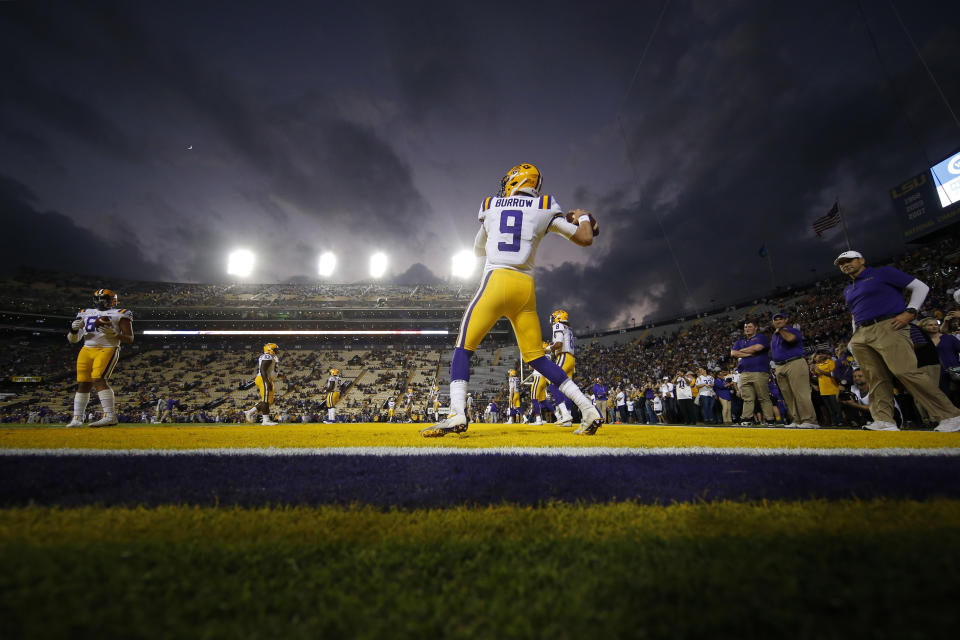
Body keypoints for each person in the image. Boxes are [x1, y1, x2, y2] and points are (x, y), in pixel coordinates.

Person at [420, 163, 602, 437]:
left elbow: (477, 248)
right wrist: (585, 216)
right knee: (538, 359)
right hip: (524, 288)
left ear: (515, 180)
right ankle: (587, 409)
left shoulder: (492, 204)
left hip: (496, 281)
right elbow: (586, 238)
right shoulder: (545, 204)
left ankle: (457, 412)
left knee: (463, 349)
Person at [834, 250, 960, 431]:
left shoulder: (882, 273)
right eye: (841, 263)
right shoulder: (848, 288)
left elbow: (920, 287)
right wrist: (855, 336)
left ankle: (950, 414)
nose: (845, 265)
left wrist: (911, 311)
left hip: (889, 325)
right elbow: (855, 313)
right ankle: (884, 420)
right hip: (863, 332)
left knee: (905, 372)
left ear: (862, 259)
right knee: (875, 378)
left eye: (849, 260)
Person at [65, 288, 134, 427]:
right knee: (83, 383)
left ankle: (110, 416)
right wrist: (73, 330)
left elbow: (130, 338)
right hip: (87, 348)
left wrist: (115, 334)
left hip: (107, 348)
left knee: (98, 379)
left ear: (113, 301)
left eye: (104, 299)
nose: (100, 301)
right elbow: (74, 340)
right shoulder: (85, 312)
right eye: (98, 299)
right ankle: (77, 419)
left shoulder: (120, 313)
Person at [770, 311, 819, 428]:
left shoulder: (792, 330)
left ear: (786, 320)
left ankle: (809, 420)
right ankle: (796, 420)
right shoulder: (774, 335)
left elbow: (790, 339)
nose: (778, 321)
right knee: (788, 395)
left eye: (780, 319)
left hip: (794, 362)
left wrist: (781, 330)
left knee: (801, 393)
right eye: (775, 320)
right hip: (779, 366)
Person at [730, 319, 776, 426]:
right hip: (744, 373)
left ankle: (770, 420)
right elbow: (733, 353)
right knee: (747, 398)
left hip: (759, 371)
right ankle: (746, 419)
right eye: (746, 327)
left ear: (756, 328)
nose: (747, 329)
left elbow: (758, 347)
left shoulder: (761, 337)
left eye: (750, 327)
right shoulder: (740, 341)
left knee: (763, 397)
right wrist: (750, 353)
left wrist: (741, 351)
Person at [548, 309, 578, 426]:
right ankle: (568, 419)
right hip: (571, 359)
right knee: (567, 389)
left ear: (558, 317)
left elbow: (559, 344)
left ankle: (565, 414)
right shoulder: (568, 329)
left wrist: (547, 349)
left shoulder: (558, 325)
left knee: (552, 383)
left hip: (564, 356)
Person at [244, 343, 280, 426]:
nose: (277, 351)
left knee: (269, 400)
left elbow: (270, 369)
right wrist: (267, 381)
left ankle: (250, 412)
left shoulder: (271, 357)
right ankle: (265, 420)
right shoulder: (267, 356)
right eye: (275, 349)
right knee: (266, 401)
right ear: (269, 349)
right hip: (264, 378)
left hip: (267, 378)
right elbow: (263, 369)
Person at [812, 344, 842, 426]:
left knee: (836, 407)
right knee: (829, 408)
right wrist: (814, 372)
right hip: (823, 390)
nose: (820, 356)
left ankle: (840, 421)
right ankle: (833, 422)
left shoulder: (831, 363)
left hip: (832, 388)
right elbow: (817, 377)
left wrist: (820, 371)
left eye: (822, 354)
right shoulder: (817, 365)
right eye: (819, 354)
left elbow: (833, 375)